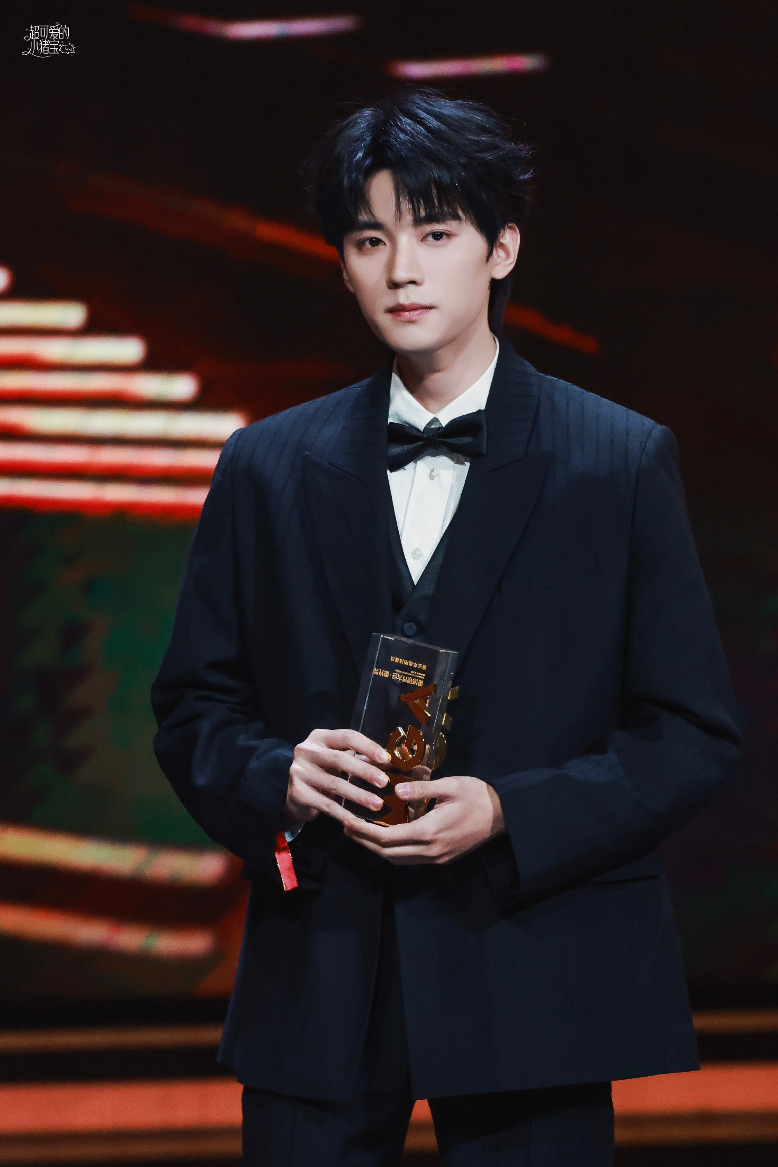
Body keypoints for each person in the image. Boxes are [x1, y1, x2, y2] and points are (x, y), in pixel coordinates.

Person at [151, 89, 741, 1166]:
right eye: (369, 240)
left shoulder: (616, 461)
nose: (402, 271)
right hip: (322, 975)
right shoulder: (266, 466)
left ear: (501, 248)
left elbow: (690, 730)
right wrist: (280, 776)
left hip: (534, 966)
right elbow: (194, 706)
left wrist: (510, 812)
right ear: (342, 265)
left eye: (433, 234)